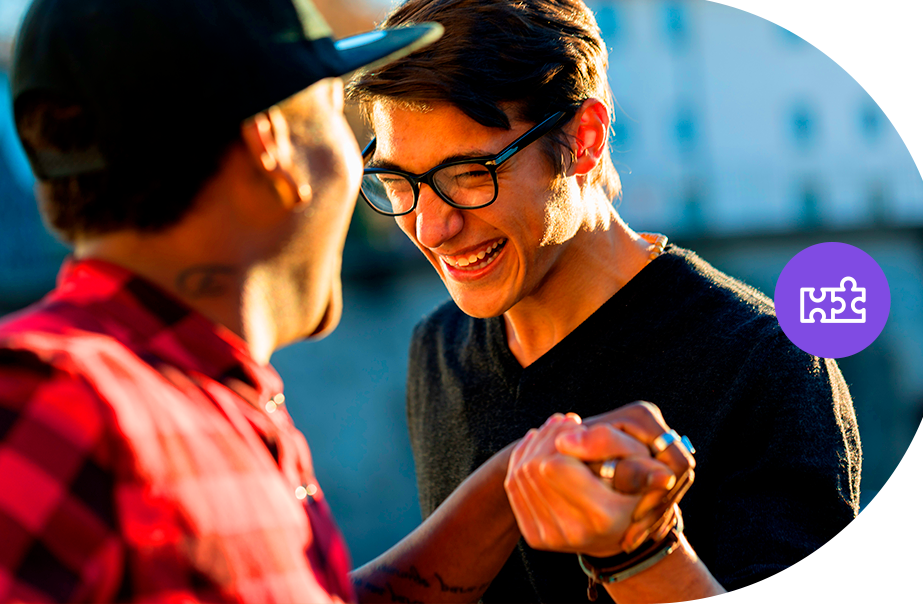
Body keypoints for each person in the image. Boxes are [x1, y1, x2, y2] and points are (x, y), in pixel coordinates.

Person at [0, 0, 676, 601]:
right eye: (337, 115)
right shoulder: (50, 403)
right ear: (273, 143)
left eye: (468, 175)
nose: (428, 222)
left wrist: (512, 484)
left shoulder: (192, 405)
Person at [347, 0, 864, 602]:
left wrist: (644, 553)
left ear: (585, 140)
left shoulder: (766, 362)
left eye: (468, 173)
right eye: (398, 181)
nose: (431, 228)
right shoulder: (438, 348)